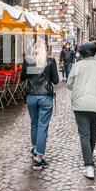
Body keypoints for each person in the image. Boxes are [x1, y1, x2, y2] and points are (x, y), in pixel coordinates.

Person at [66, 42, 96, 179]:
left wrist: (78, 88)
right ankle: (90, 153)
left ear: (81, 54)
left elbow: (69, 84)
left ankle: (88, 166)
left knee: (84, 134)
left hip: (80, 105)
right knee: (93, 131)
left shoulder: (76, 66)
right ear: (94, 53)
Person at [20, 39, 59, 171]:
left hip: (31, 96)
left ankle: (35, 148)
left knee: (34, 124)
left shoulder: (29, 61)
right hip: (45, 97)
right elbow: (56, 80)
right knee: (42, 126)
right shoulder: (50, 61)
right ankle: (39, 158)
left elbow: (22, 78)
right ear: (46, 49)